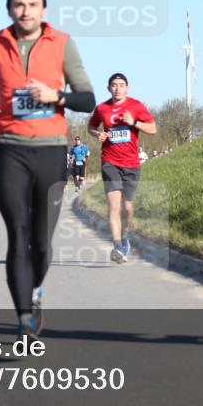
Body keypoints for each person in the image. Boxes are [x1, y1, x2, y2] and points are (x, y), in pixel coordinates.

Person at [0, 0, 95, 338]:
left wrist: (56, 95)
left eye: (32, 4)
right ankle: (24, 316)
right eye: (18, 4)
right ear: (9, 8)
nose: (25, 10)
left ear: (44, 9)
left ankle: (35, 293)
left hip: (51, 151)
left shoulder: (63, 44)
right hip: (10, 149)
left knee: (41, 242)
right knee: (18, 234)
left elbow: (87, 99)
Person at [88, 73, 157, 263]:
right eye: (114, 85)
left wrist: (133, 122)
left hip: (131, 164)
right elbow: (91, 126)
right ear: (109, 88)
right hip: (109, 161)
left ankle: (125, 235)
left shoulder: (136, 106)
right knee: (113, 205)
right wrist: (97, 134)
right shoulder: (102, 108)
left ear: (127, 88)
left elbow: (153, 128)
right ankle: (117, 247)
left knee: (128, 207)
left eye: (121, 85)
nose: (117, 88)